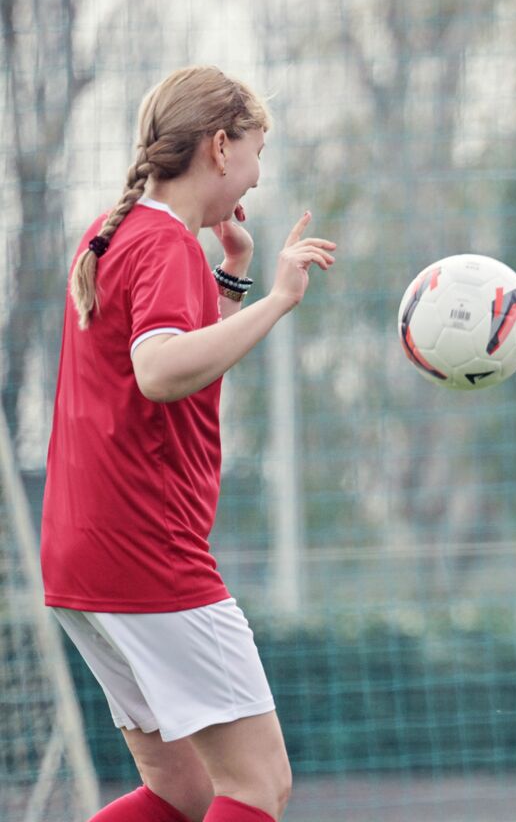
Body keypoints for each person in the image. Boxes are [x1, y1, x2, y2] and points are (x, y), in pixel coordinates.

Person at [40, 65, 336, 822]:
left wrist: (233, 277)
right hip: (146, 556)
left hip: (84, 554)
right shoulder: (166, 246)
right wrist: (275, 302)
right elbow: (158, 371)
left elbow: (173, 378)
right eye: (256, 151)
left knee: (183, 792)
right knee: (258, 784)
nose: (260, 177)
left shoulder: (121, 235)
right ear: (218, 147)